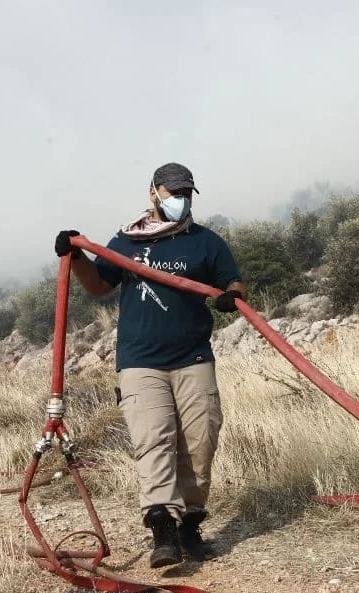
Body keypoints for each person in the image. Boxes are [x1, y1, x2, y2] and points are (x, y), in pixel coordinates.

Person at [54, 162, 246, 567]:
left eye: (187, 193)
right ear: (153, 193)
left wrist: (230, 296)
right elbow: (98, 285)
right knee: (153, 440)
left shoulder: (206, 243)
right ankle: (163, 528)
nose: (181, 200)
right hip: (140, 361)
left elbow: (233, 280)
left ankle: (189, 524)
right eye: (173, 192)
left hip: (193, 357)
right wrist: (77, 255)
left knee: (200, 440)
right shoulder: (125, 242)